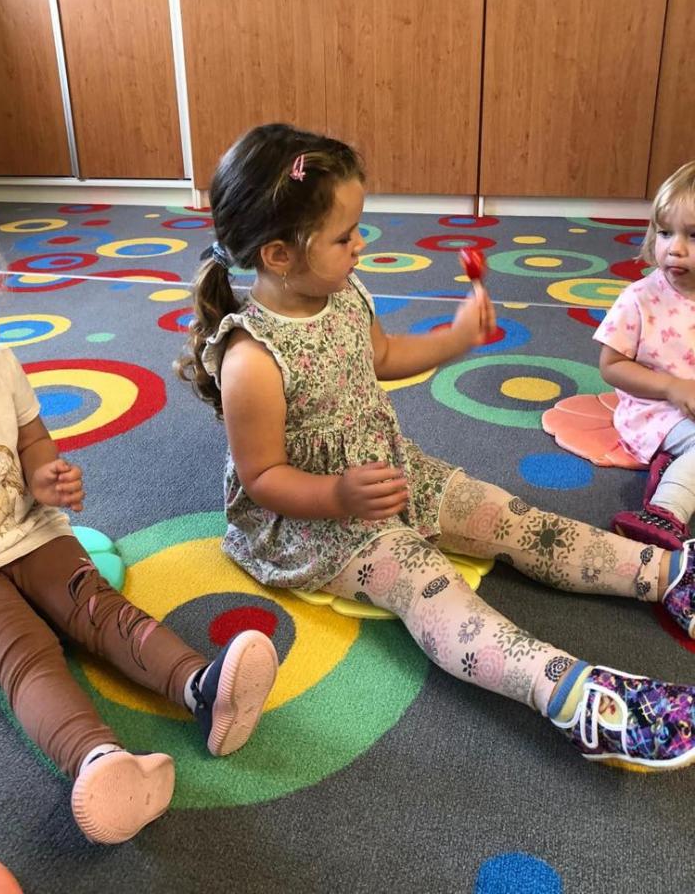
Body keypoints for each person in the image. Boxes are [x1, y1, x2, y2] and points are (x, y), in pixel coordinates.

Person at [180, 122, 695, 773]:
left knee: (508, 515)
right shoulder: (251, 359)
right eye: (344, 237)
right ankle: (576, 699)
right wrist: (337, 495)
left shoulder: (343, 293)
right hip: (315, 521)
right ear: (279, 255)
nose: (360, 245)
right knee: (430, 586)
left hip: (389, 468)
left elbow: (382, 355)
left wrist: (455, 339)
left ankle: (666, 574)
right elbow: (261, 479)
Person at [0, 206, 278, 844]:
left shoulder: (0, 366)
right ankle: (98, 762)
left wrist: (45, 475)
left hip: (28, 529)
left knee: (96, 607)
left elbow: (32, 440)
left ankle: (200, 687)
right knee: (23, 651)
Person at [595, 161, 695, 552]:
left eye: (693, 235)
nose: (675, 248)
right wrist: (672, 387)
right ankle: (663, 512)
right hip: (654, 409)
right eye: (665, 232)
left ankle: (673, 468)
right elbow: (611, 366)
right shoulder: (640, 298)